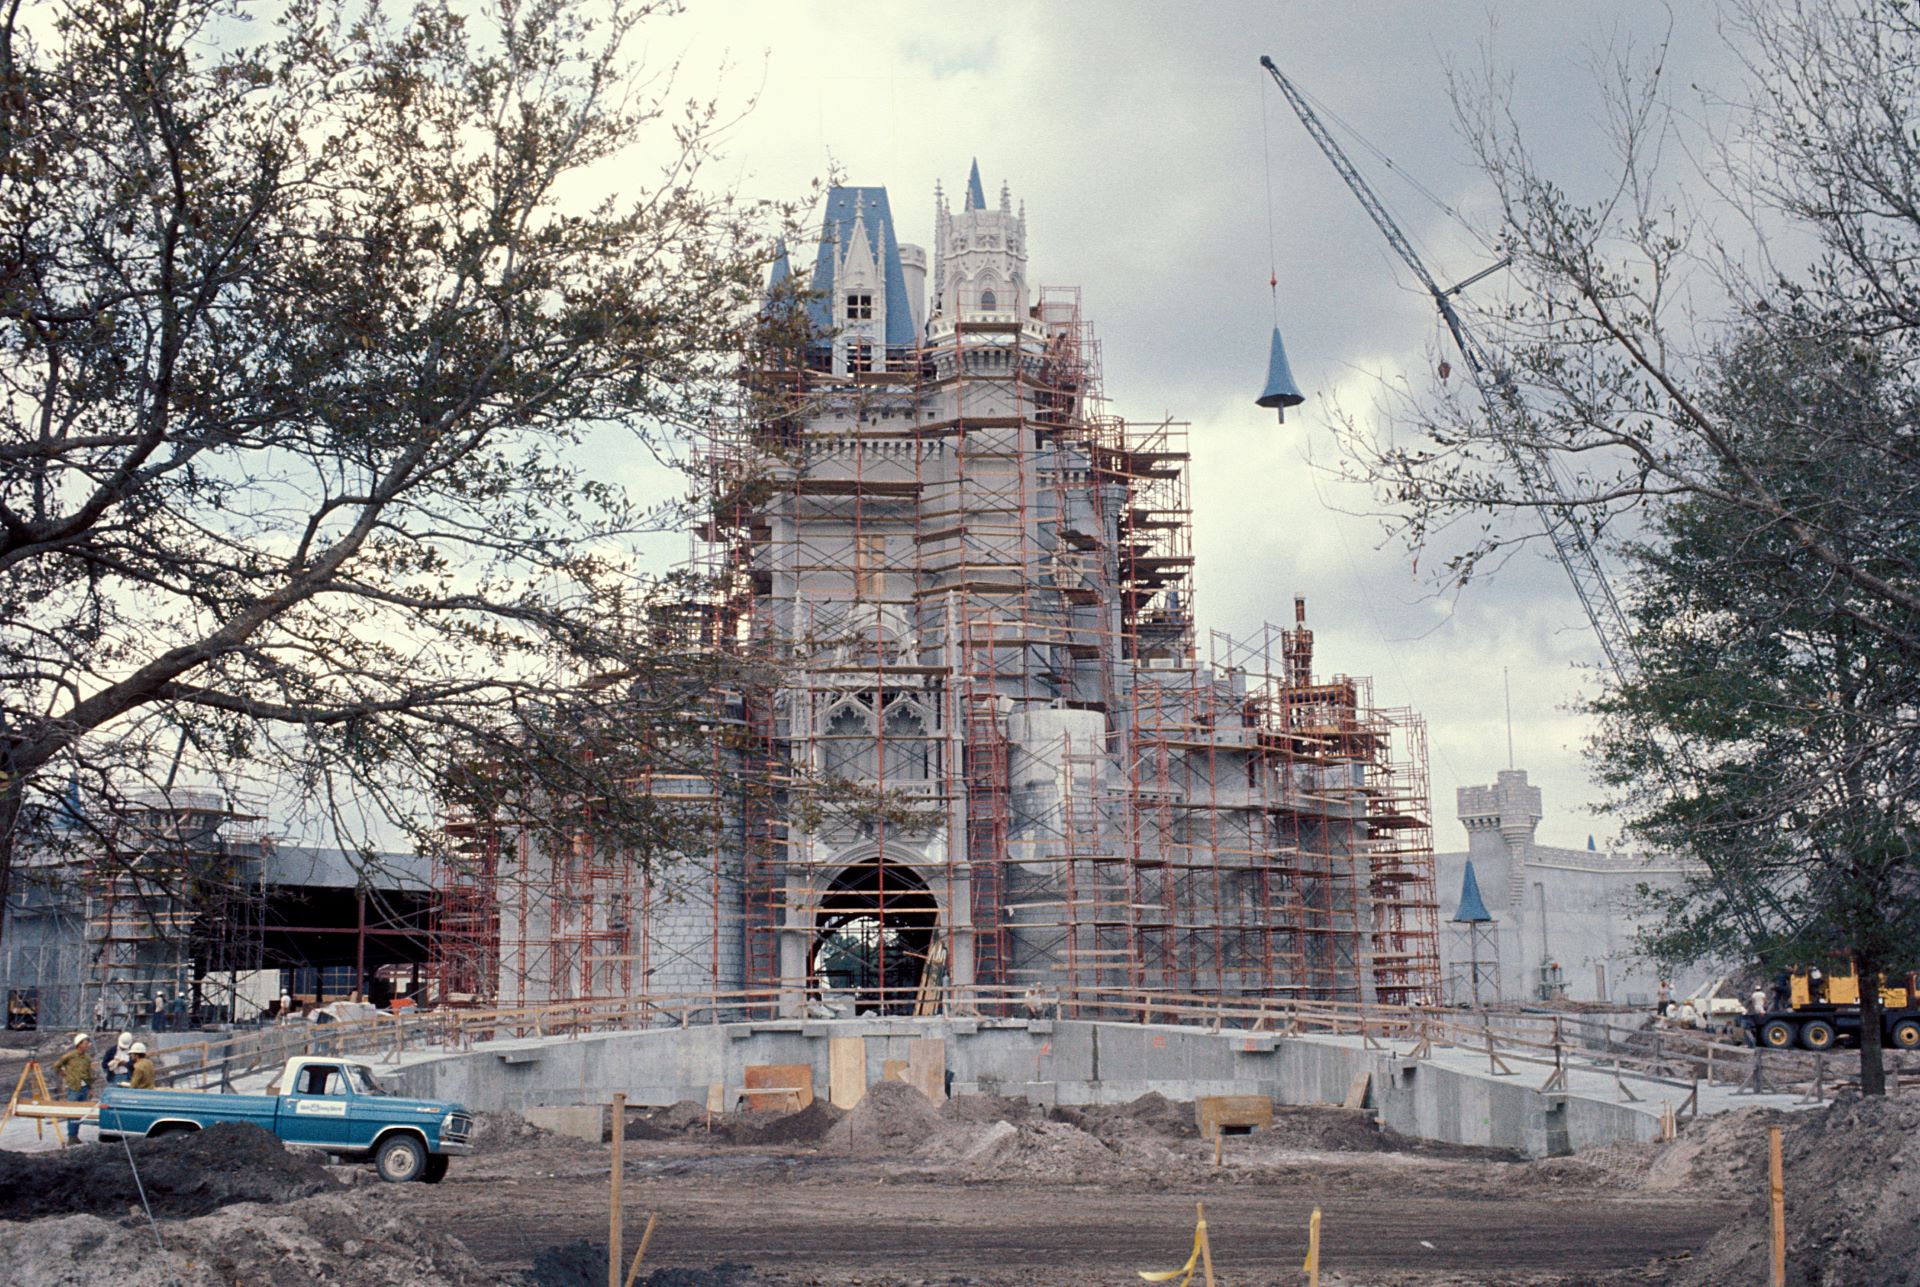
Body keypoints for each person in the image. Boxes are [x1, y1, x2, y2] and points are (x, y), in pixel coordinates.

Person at [52, 1032, 97, 1144]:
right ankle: (71, 1137)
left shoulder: (87, 1058)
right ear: (79, 1044)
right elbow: (56, 1066)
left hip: (84, 1088)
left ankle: (75, 1136)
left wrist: (90, 1088)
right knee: (72, 1113)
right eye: (86, 1043)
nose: (87, 1045)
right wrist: (65, 1075)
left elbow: (88, 1074)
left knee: (80, 1113)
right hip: (74, 1088)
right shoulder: (70, 1056)